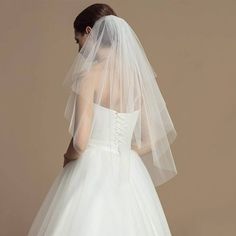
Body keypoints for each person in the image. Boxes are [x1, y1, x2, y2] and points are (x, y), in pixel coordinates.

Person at [27, 3, 178, 236]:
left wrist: (68, 158)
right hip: (129, 172)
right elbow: (153, 137)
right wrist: (124, 153)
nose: (79, 50)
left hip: (89, 169)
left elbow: (80, 142)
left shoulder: (89, 77)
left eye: (78, 41)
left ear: (88, 32)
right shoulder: (137, 79)